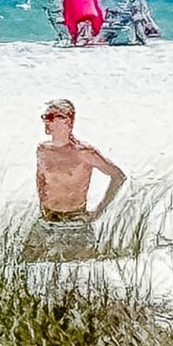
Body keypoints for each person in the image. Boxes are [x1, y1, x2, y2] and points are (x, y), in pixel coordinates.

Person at [26, 98, 126, 259]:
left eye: (51, 117)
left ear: (67, 120)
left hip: (75, 224)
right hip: (47, 222)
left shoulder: (84, 152)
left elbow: (118, 176)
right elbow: (41, 182)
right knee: (26, 268)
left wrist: (98, 212)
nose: (47, 121)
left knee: (78, 275)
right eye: (45, 117)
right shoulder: (42, 150)